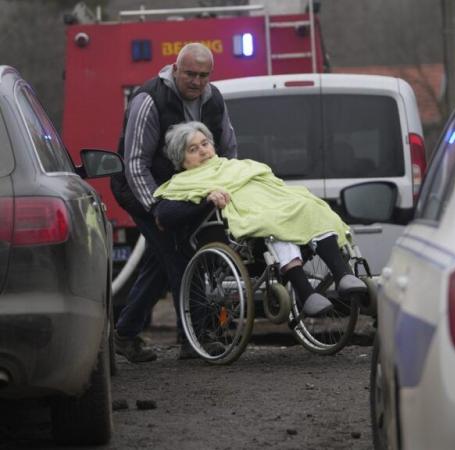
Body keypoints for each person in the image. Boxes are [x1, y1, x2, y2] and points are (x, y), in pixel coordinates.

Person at [153, 121, 367, 316]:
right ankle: (305, 292)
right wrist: (207, 201)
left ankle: (342, 274)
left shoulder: (239, 166)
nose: (203, 151)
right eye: (193, 149)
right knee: (275, 224)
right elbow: (165, 215)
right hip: (249, 223)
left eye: (205, 143)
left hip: (276, 206)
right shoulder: (182, 183)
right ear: (181, 159)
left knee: (311, 206)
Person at [110, 43, 238, 362]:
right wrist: (156, 210)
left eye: (203, 76)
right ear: (175, 68)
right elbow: (135, 163)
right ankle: (193, 340)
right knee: (179, 256)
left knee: (160, 262)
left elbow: (228, 147)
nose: (196, 82)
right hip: (140, 190)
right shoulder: (149, 99)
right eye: (191, 74)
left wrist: (230, 181)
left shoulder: (214, 99)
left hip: (184, 190)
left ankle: (124, 335)